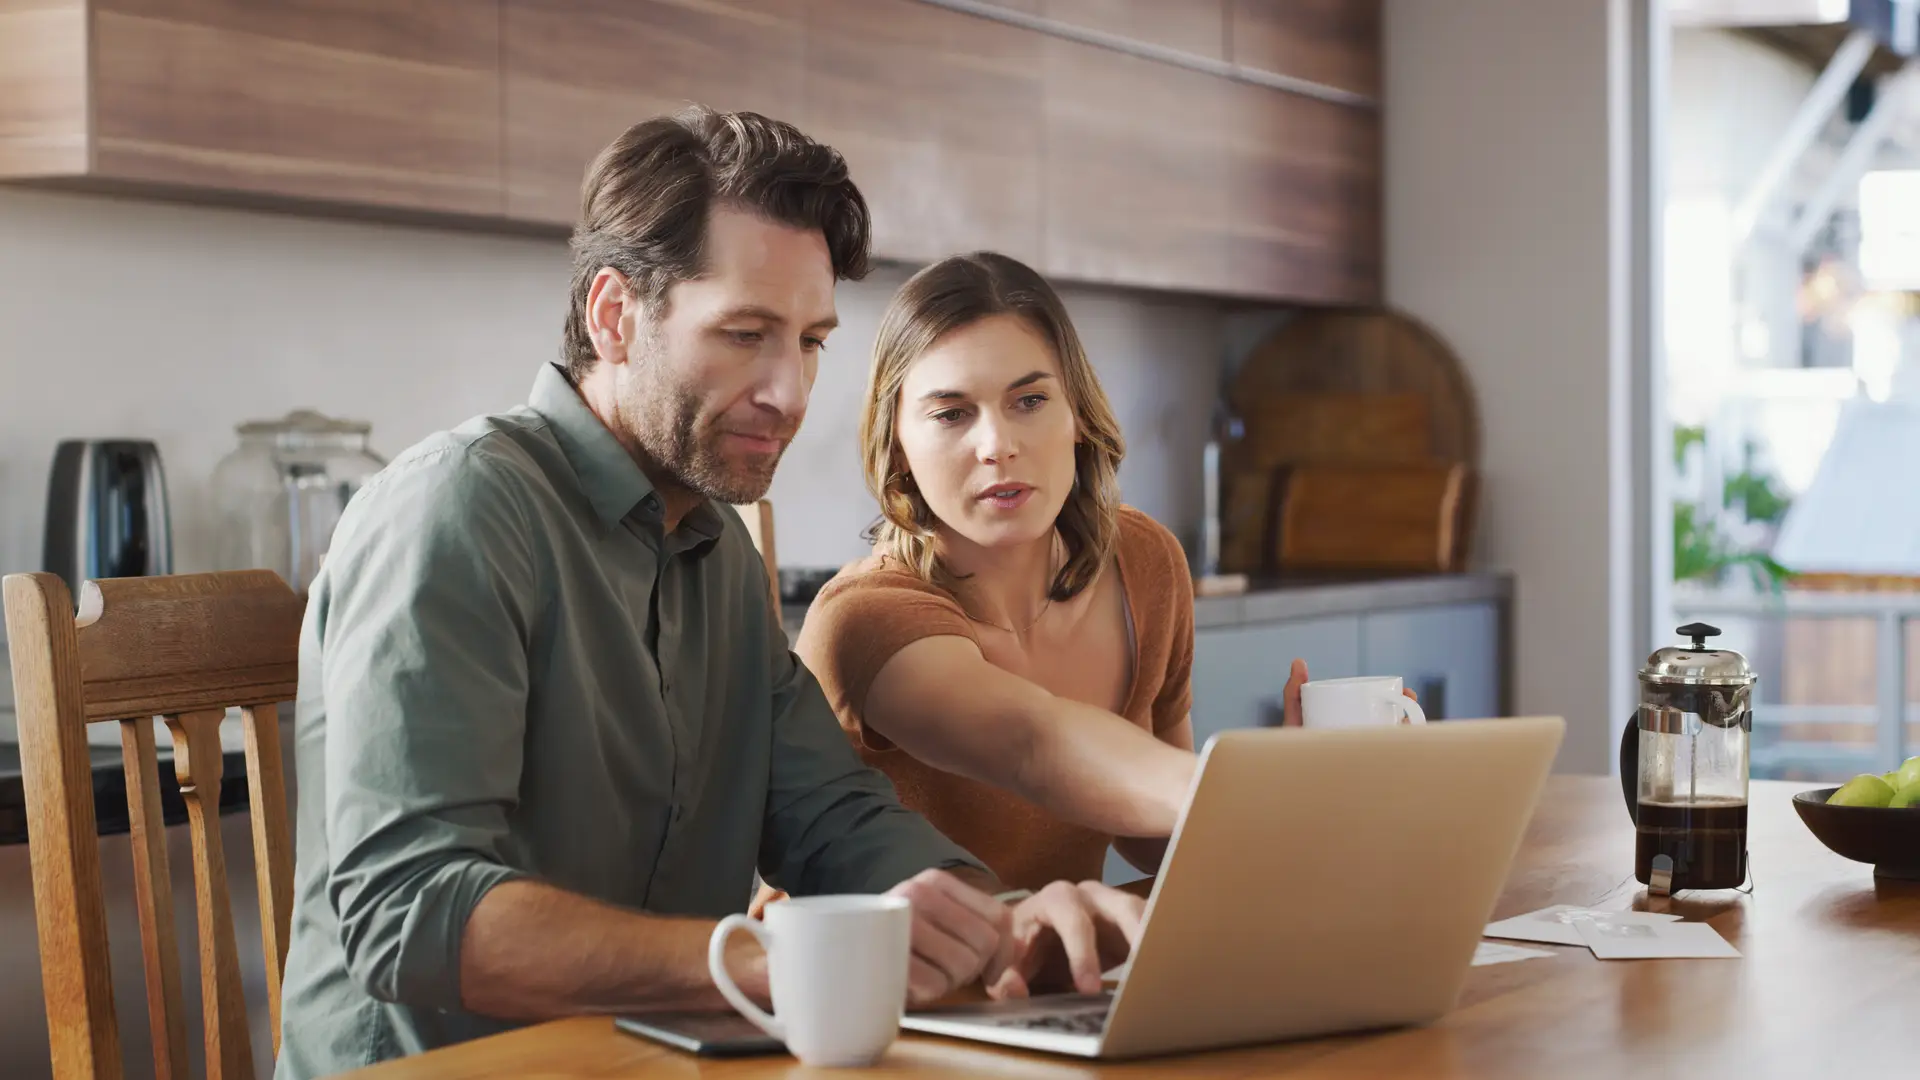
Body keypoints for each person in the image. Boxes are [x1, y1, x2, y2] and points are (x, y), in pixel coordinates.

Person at [274, 111, 1141, 1080]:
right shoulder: (460, 511)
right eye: (744, 334)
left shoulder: (716, 553)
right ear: (614, 316)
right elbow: (410, 912)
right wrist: (773, 961)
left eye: (811, 342)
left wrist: (998, 921)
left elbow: (833, 820)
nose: (788, 389)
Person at [783, 254, 1413, 896]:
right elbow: (1033, 745)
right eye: (951, 413)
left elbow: (1151, 835)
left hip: (1045, 977)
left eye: (1029, 400)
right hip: (858, 986)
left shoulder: (1145, 564)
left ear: (1077, 414)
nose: (996, 444)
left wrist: (1290, 778)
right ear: (896, 444)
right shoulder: (863, 618)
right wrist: (1252, 798)